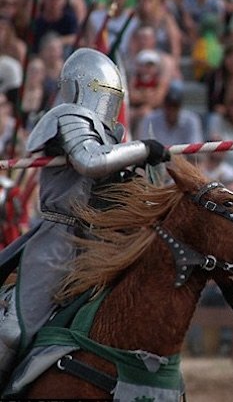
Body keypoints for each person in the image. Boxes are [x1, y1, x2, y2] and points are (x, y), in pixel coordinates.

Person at [0, 48, 170, 377]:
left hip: (102, 243)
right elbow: (89, 161)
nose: (107, 102)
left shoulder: (110, 137)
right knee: (14, 331)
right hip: (58, 243)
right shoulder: (69, 117)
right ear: (82, 87)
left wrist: (141, 165)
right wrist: (142, 149)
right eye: (103, 93)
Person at [137, 81, 203, 145]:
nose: (172, 110)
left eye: (175, 107)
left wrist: (177, 156)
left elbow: (195, 148)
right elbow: (145, 146)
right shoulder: (150, 119)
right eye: (169, 106)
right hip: (158, 156)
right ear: (164, 105)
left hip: (184, 155)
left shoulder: (191, 120)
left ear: (180, 107)